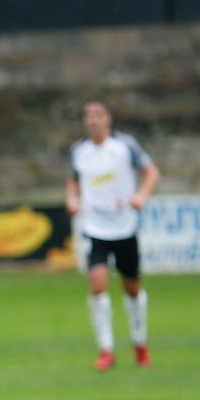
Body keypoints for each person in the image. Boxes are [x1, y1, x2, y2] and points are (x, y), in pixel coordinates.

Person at [66, 99, 161, 372]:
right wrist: (72, 199)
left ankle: (139, 343)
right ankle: (105, 349)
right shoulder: (79, 151)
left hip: (124, 226)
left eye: (98, 114)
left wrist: (141, 195)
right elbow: (72, 180)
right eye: (88, 115)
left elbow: (152, 171)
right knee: (97, 286)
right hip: (94, 228)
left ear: (108, 118)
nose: (93, 119)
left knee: (131, 288)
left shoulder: (124, 146)